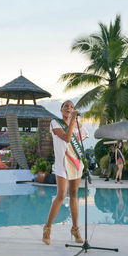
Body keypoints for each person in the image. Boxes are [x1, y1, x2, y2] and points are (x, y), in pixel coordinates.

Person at [42, 100, 89, 245]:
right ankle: (47, 228)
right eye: (66, 106)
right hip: (62, 162)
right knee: (61, 195)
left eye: (71, 106)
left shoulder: (77, 125)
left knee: (74, 194)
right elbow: (67, 138)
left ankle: (75, 230)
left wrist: (75, 122)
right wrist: (73, 119)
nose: (69, 108)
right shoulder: (55, 123)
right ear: (61, 109)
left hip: (76, 162)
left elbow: (80, 142)